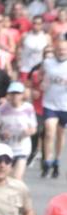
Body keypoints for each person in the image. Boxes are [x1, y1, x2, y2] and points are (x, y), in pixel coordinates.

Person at [0, 80, 39, 178]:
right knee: (5, 179)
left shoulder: (28, 108)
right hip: (6, 149)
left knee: (17, 179)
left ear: (22, 95)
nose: (14, 97)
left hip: (22, 148)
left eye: (17, 94)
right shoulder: (2, 109)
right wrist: (1, 134)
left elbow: (34, 129)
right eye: (12, 94)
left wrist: (27, 132)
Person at [37, 37, 67, 175]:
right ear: (55, 50)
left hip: (65, 105)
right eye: (60, 49)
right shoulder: (48, 63)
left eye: (64, 50)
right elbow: (38, 76)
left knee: (60, 134)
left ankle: (57, 159)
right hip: (50, 103)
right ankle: (47, 160)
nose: (62, 52)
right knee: (49, 131)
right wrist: (41, 83)